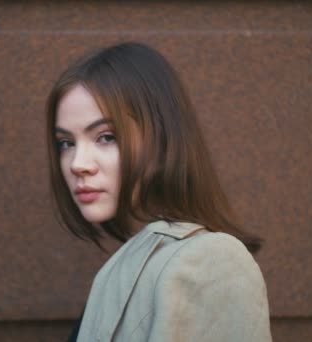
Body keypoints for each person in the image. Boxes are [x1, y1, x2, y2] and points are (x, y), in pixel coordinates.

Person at [45, 42, 272, 341]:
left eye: (106, 137)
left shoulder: (211, 260)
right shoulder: (134, 262)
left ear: (161, 138)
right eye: (66, 143)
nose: (78, 164)